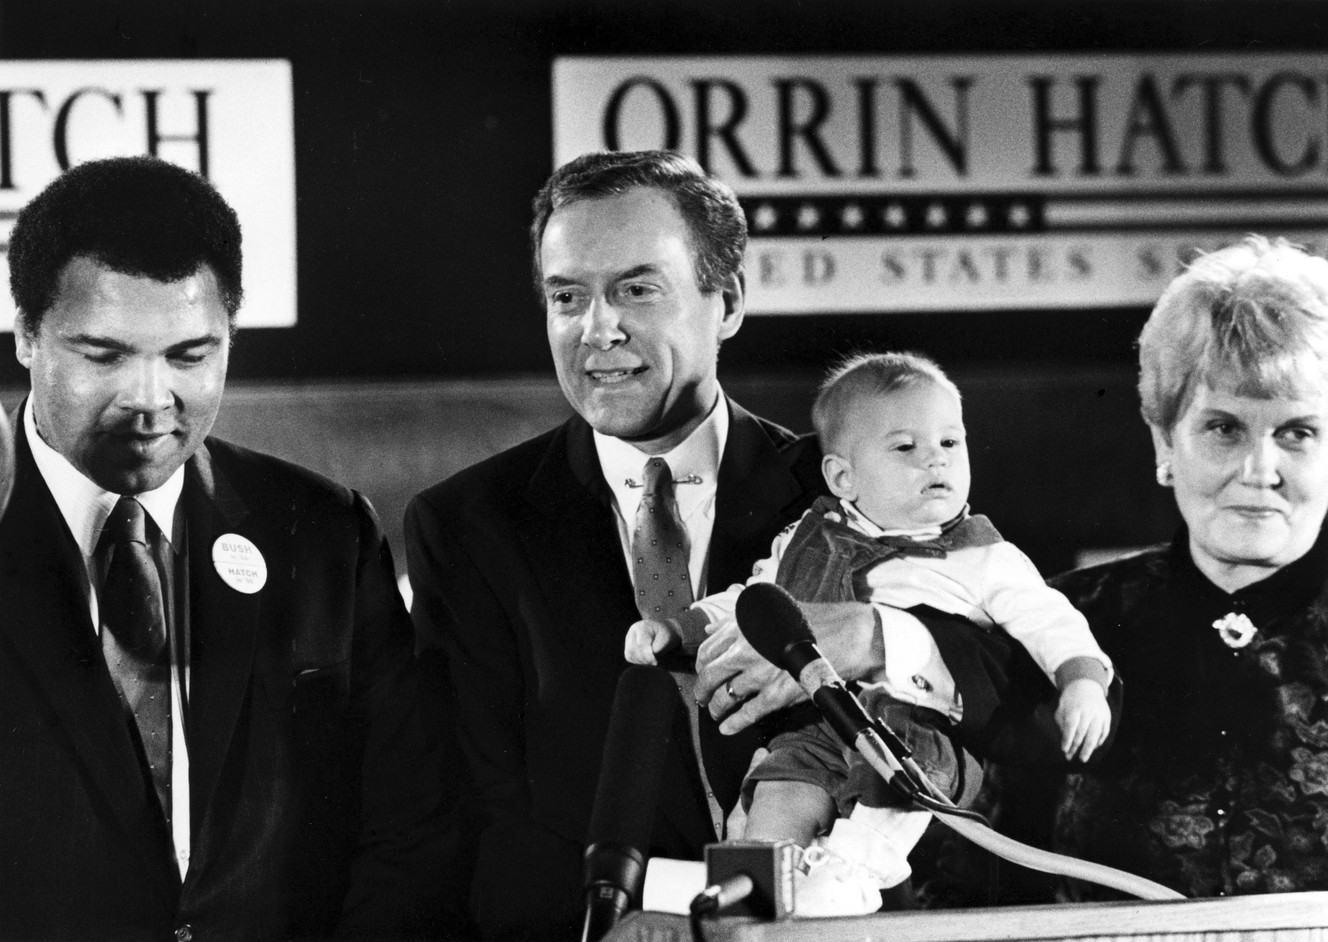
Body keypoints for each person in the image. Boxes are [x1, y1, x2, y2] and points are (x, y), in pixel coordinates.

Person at [0, 156, 463, 939]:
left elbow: (408, 831)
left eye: (189, 355)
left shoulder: (325, 531)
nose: (150, 399)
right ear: (26, 335)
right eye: (104, 355)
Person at [404, 150, 828, 939]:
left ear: (729, 301)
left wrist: (879, 637)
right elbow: (480, 815)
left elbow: (970, 722)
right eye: (567, 297)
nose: (598, 329)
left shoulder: (843, 491)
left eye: (637, 289)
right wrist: (660, 909)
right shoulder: (467, 526)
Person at [627, 351, 1113, 911]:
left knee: (893, 784)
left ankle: (849, 872)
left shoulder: (983, 557)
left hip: (911, 728)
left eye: (950, 443)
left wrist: (1082, 682)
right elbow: (752, 603)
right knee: (780, 794)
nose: (935, 459)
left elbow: (1052, 622)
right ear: (843, 477)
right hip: (813, 723)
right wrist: (680, 629)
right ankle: (761, 879)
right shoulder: (805, 539)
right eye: (906, 447)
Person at [1040, 235, 1328, 898]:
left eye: (1298, 432)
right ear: (1165, 441)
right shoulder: (1059, 622)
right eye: (1224, 428)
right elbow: (966, 886)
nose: (1259, 470)